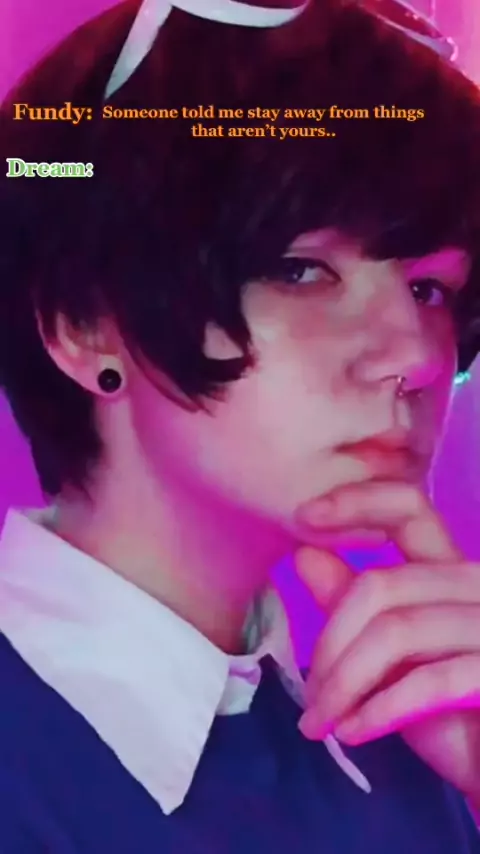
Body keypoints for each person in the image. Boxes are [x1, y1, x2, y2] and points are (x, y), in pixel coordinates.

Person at [1, 0, 480, 850]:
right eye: (302, 271)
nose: (415, 354)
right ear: (84, 326)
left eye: (431, 288)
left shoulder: (416, 745)